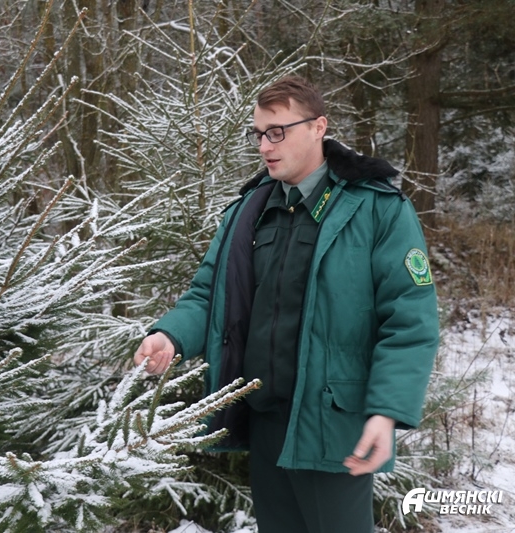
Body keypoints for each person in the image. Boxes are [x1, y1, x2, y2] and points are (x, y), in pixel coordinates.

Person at [133, 76, 439, 533]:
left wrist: (386, 411)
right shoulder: (248, 211)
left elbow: (410, 321)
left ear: (318, 127)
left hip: (334, 424)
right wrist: (169, 336)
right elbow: (209, 295)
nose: (264, 146)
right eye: (258, 134)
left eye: (277, 132)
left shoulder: (377, 208)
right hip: (265, 420)